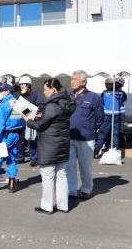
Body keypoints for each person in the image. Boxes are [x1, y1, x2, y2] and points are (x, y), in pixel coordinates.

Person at [25, 79, 76, 214]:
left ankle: (47, 206)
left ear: (53, 89)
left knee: (47, 176)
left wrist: (28, 120)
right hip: (63, 144)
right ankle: (63, 205)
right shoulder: (66, 102)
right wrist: (41, 115)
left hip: (50, 145)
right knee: (61, 175)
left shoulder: (52, 105)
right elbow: (53, 118)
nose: (44, 91)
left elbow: (41, 125)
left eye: (46, 89)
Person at [67, 70, 104, 200]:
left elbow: (100, 118)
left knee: (85, 166)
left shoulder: (94, 97)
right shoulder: (69, 96)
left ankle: (86, 189)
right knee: (69, 166)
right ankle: (71, 189)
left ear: (83, 81)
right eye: (71, 79)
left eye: (75, 79)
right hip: (69, 136)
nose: (72, 81)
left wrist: (96, 135)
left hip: (86, 138)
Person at [17, 76, 45, 166]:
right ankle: (20, 157)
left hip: (32, 120)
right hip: (21, 121)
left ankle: (34, 159)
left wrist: (28, 110)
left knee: (32, 140)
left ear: (28, 85)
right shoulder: (20, 95)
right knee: (20, 140)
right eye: (20, 84)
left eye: (23, 84)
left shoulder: (36, 94)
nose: (21, 86)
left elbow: (41, 105)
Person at [96, 77, 127, 156]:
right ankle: (115, 151)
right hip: (117, 115)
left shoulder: (104, 93)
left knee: (102, 133)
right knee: (115, 134)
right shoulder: (121, 93)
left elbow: (101, 102)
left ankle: (97, 151)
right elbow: (123, 99)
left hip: (106, 115)